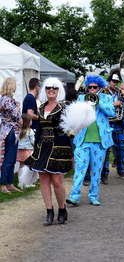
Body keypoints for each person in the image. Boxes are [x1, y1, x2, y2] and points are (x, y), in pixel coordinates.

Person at [24, 77, 73, 225]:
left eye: (55, 88)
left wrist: (71, 151)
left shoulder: (65, 106)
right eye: (48, 87)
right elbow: (39, 129)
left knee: (57, 181)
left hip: (60, 147)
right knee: (44, 180)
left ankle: (62, 209)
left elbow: (70, 129)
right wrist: (35, 147)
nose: (51, 90)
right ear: (44, 89)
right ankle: (49, 212)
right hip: (42, 147)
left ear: (59, 90)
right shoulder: (41, 107)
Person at [66, 74, 115, 206]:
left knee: (96, 170)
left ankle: (93, 195)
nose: (92, 89)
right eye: (90, 87)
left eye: (95, 87)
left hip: (100, 140)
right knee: (80, 168)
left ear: (100, 88)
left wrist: (99, 102)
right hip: (82, 139)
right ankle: (74, 195)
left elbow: (112, 112)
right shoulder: (81, 98)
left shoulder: (107, 97)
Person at [100, 73, 124, 183]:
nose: (115, 83)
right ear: (109, 82)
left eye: (117, 82)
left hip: (118, 122)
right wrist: (114, 103)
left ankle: (121, 169)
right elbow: (100, 104)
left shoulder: (120, 93)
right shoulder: (102, 92)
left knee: (121, 146)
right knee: (106, 149)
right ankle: (104, 174)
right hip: (106, 123)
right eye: (113, 81)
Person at [0, 77, 23, 194]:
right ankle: (4, 185)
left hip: (8, 130)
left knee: (11, 158)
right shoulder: (8, 100)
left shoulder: (4, 99)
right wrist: (18, 109)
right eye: (14, 85)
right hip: (11, 130)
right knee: (9, 159)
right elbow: (16, 116)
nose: (16, 87)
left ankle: (9, 183)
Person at [16, 114, 35, 187]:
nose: (32, 122)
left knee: (21, 166)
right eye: (31, 120)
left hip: (20, 151)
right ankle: (27, 182)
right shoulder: (30, 131)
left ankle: (20, 181)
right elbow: (33, 142)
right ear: (28, 122)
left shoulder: (19, 131)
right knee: (28, 167)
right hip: (28, 151)